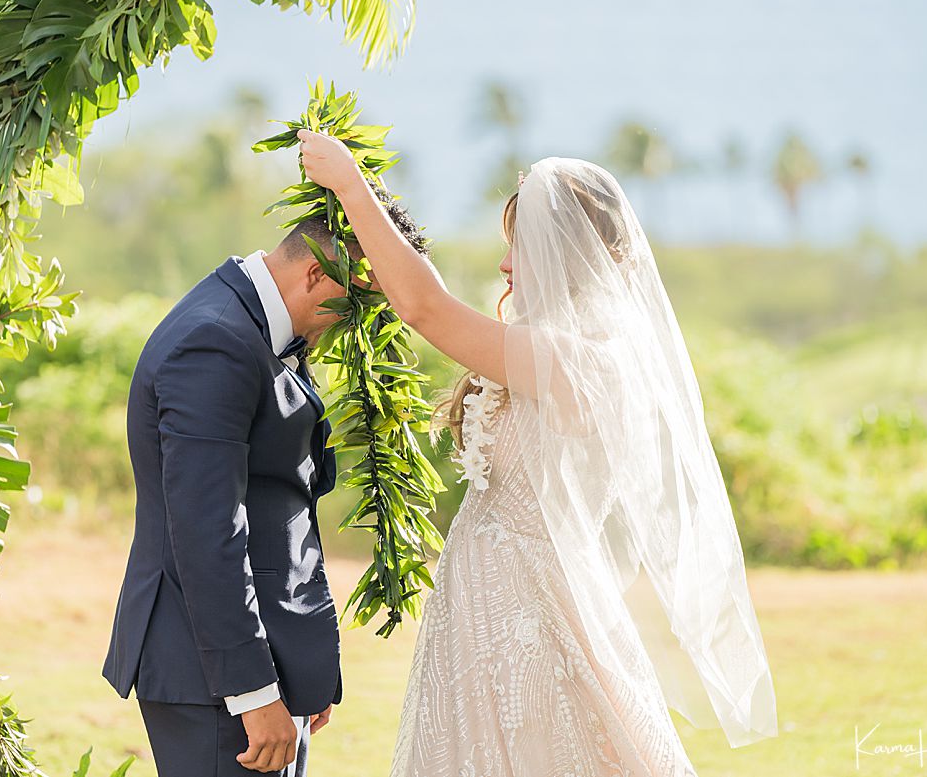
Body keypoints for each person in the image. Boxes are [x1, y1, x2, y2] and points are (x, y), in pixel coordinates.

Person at [297, 129, 779, 776]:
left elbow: (425, 308)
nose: (504, 266)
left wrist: (350, 183)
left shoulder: (586, 360)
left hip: (534, 610)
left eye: (519, 247)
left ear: (569, 253)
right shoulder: (548, 342)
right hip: (482, 600)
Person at [100, 191, 428, 777]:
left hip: (267, 658)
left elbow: (279, 500)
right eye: (358, 305)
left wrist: (303, 664)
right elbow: (208, 533)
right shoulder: (215, 342)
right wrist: (254, 693)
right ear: (314, 273)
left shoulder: (261, 327)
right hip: (216, 678)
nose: (358, 325)